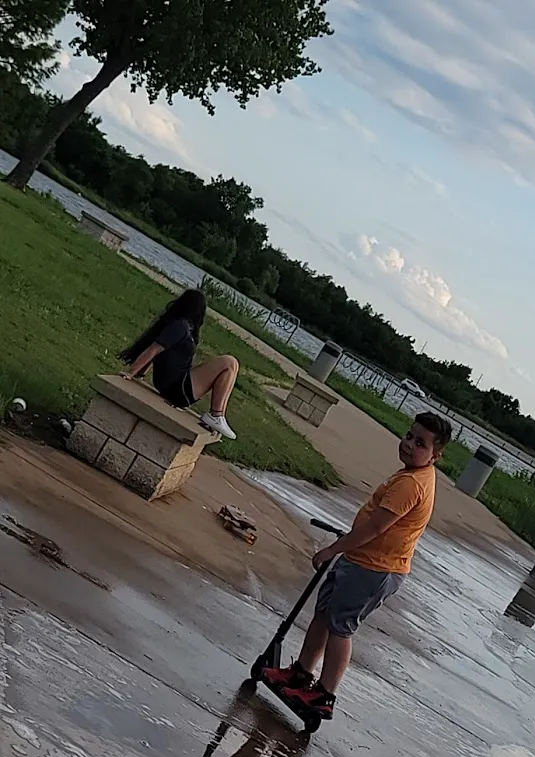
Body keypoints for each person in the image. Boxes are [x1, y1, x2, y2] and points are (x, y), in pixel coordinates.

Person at [263, 411, 453, 719]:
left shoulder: (412, 484)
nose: (408, 444)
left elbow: (375, 528)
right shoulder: (409, 474)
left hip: (375, 568)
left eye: (420, 443)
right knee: (324, 614)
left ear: (435, 456)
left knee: (341, 627)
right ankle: (301, 673)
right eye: (409, 436)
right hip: (360, 559)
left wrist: (332, 549)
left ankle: (324, 695)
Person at [118, 289, 238, 440]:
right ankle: (216, 415)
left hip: (177, 386)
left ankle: (218, 415)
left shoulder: (183, 326)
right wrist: (131, 373)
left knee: (232, 366)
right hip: (177, 388)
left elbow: (158, 351)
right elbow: (154, 349)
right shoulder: (180, 327)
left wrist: (140, 375)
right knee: (229, 362)